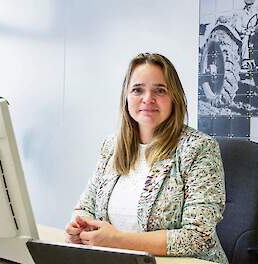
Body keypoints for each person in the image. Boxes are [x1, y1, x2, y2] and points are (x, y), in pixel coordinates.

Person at [65, 53, 228, 264]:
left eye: (160, 90)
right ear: (126, 96)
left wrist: (119, 240)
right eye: (137, 90)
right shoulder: (111, 146)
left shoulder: (199, 148)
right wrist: (77, 228)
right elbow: (86, 207)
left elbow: (198, 237)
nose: (147, 99)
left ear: (174, 98)